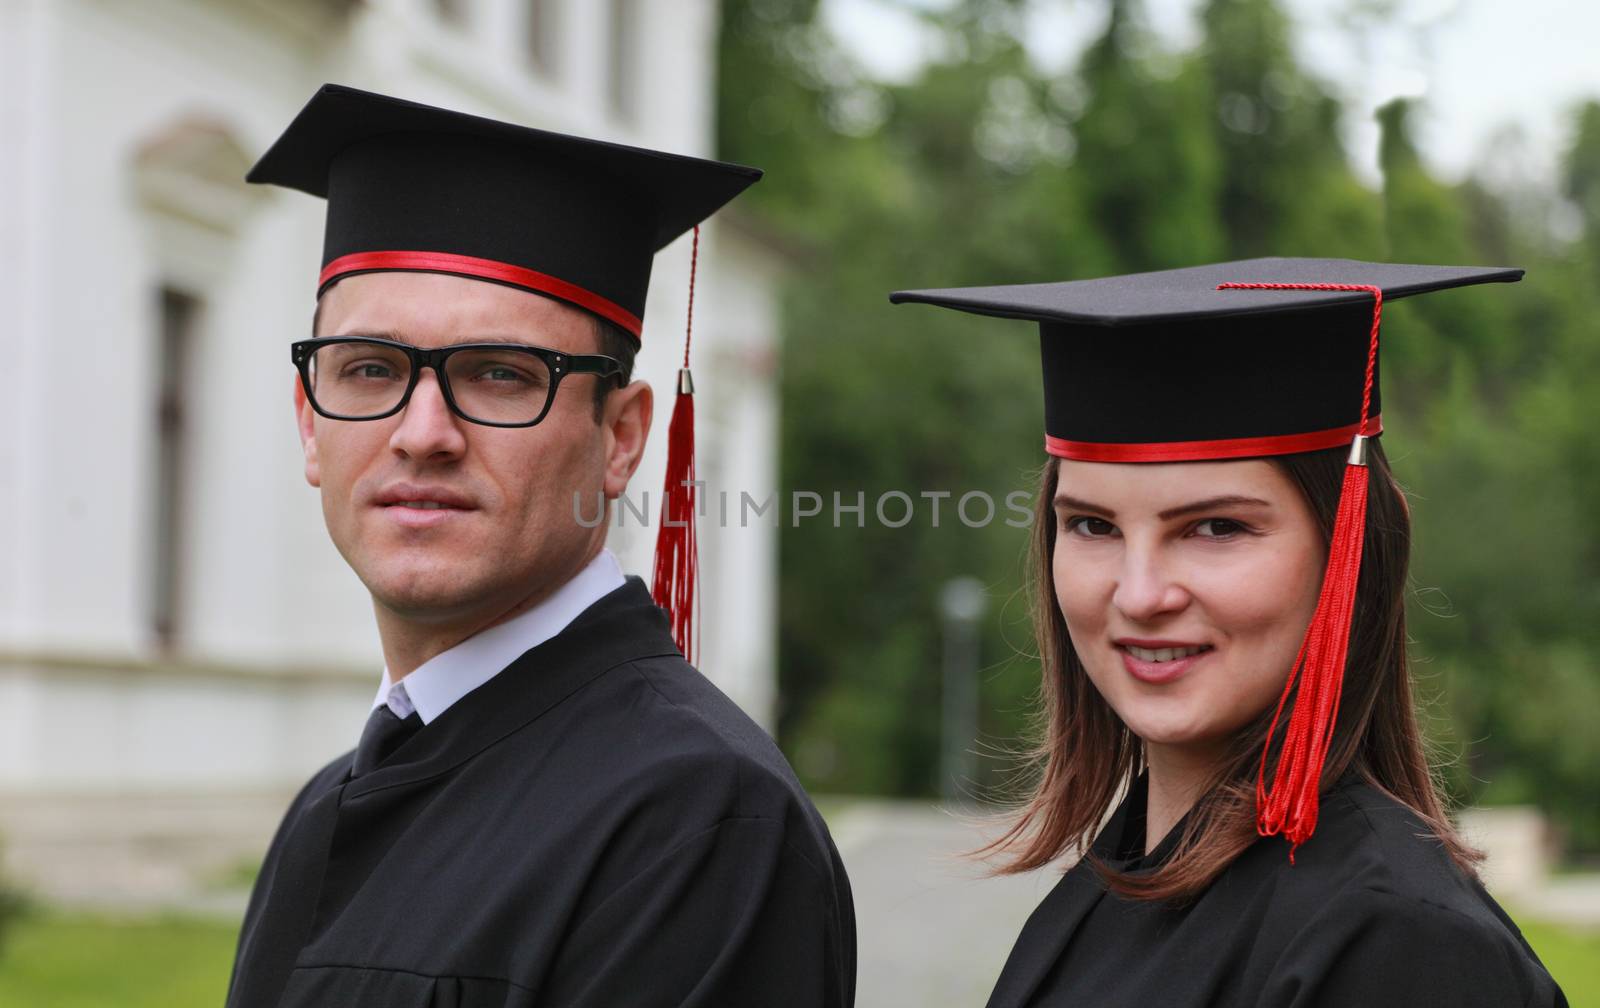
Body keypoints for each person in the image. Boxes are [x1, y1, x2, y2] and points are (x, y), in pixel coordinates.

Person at [226, 84, 855, 1008]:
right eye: (370, 370)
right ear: (310, 424)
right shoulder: (325, 807)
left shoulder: (698, 826)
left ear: (622, 438)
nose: (422, 432)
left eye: (500, 374)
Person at [892, 258, 1568, 1007]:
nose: (1140, 593)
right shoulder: (1116, 884)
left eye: (1215, 527)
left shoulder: (1397, 945)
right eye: (1091, 525)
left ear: (1353, 549)